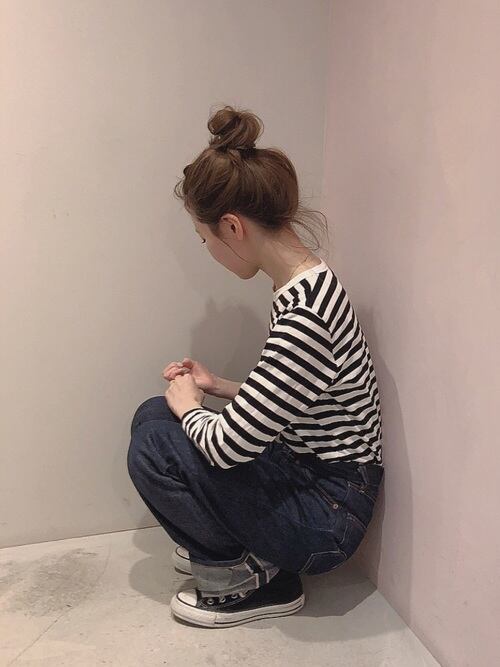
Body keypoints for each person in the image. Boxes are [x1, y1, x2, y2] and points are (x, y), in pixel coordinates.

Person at [127, 104, 384, 629]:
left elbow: (229, 448)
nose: (209, 250)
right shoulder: (306, 284)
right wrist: (218, 385)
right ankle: (233, 548)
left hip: (327, 517)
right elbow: (300, 397)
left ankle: (251, 577)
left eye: (205, 239)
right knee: (153, 415)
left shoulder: (305, 315)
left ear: (232, 226)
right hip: (312, 477)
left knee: (155, 442)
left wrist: (191, 404)